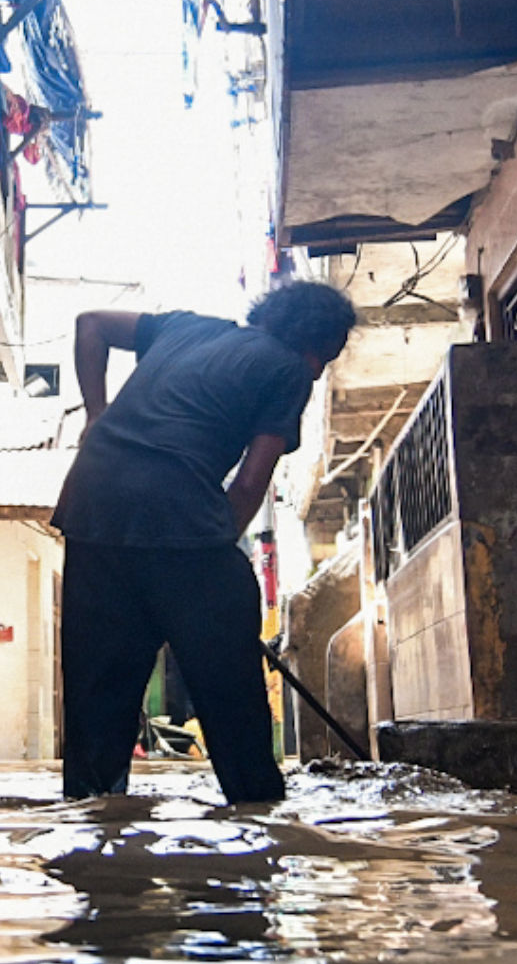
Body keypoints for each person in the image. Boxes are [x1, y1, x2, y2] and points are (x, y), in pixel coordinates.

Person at [50, 280, 355, 807]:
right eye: (323, 359)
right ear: (311, 344)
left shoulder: (183, 325)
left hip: (90, 503)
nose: (318, 372)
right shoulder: (285, 370)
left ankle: (95, 836)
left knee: (97, 699)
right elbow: (249, 484)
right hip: (177, 511)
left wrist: (95, 415)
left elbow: (90, 325)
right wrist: (214, 566)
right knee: (231, 692)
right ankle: (258, 817)